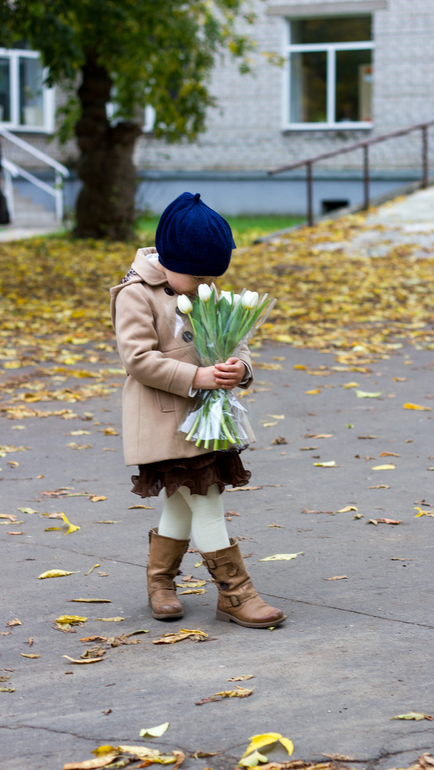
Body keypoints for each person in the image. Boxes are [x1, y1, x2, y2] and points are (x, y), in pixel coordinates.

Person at [110, 192, 285, 629]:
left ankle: (160, 583)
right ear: (168, 260)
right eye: (198, 273)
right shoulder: (136, 295)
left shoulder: (203, 289)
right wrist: (197, 377)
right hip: (165, 420)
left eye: (213, 275)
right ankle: (236, 593)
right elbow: (138, 360)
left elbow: (236, 340)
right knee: (204, 500)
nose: (207, 284)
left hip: (206, 423)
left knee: (184, 504)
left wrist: (238, 368)